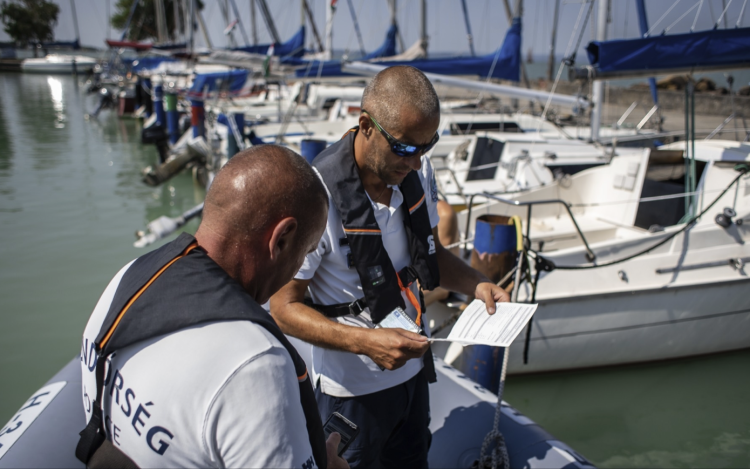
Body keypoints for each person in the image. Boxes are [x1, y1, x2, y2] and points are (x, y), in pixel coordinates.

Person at [270, 66, 509, 468]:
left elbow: (428, 256)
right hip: (350, 396)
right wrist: (365, 343)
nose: (416, 162)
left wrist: (477, 283)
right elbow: (283, 307)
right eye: (404, 147)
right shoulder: (316, 196)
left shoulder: (417, 171)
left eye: (426, 146)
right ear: (365, 125)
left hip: (413, 381)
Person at [78, 145, 348, 468]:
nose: (299, 266)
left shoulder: (128, 279)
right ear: (282, 238)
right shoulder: (257, 364)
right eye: (306, 252)